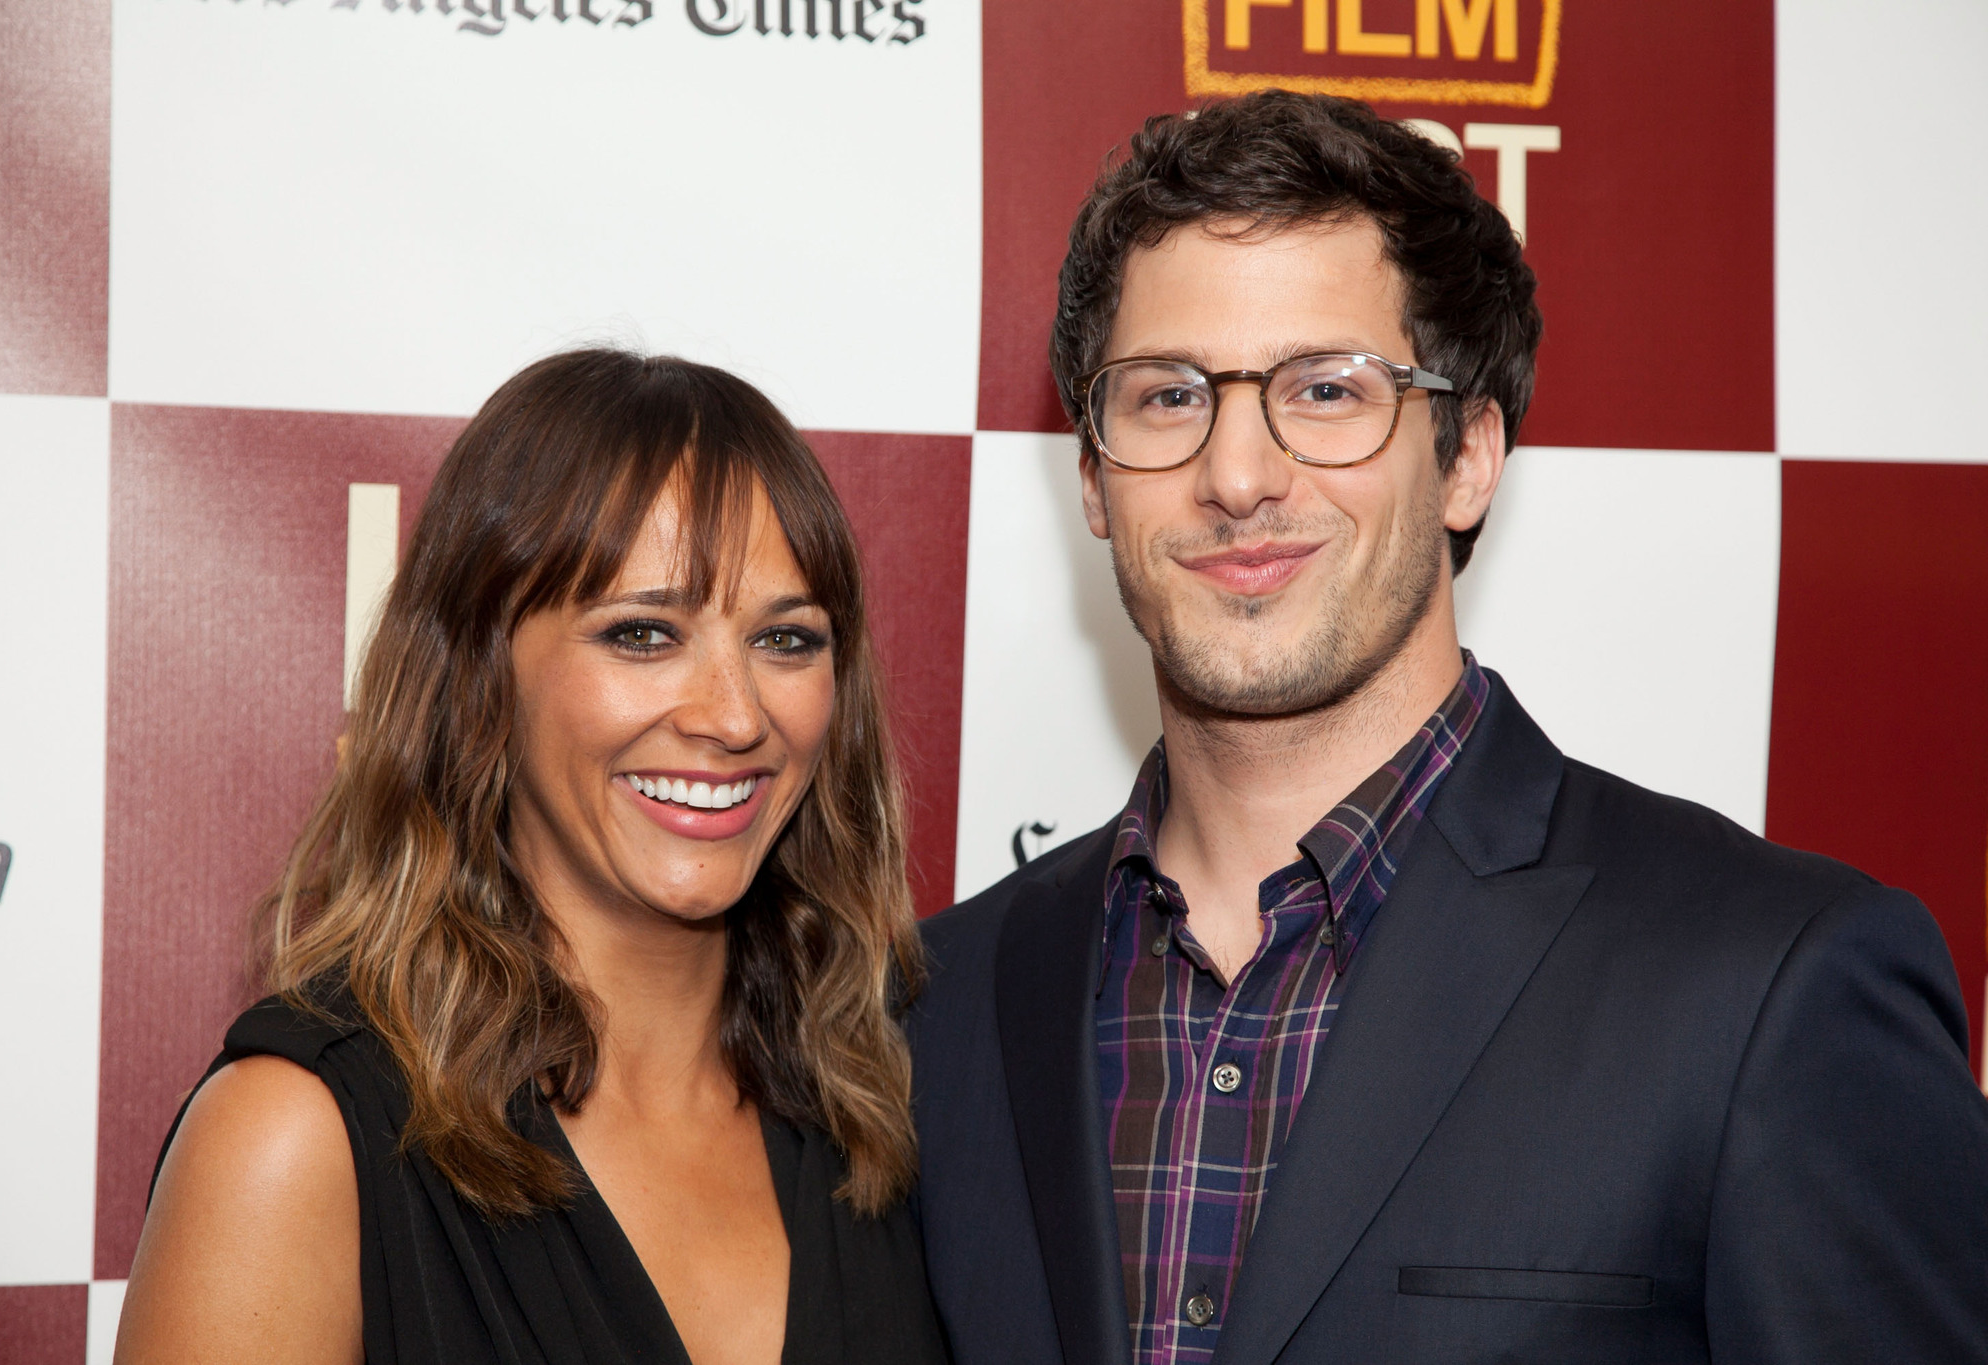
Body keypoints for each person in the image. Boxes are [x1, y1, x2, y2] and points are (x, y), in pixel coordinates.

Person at [910, 91, 1988, 1365]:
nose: (1238, 473)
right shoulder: (937, 1002)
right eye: (1165, 395)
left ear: (1467, 455)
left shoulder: (1769, 985)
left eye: (1324, 390)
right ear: (1091, 476)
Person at [117, 350, 949, 1365]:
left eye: (786, 642)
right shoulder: (295, 1140)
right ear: (477, 680)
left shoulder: (896, 1103)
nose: (735, 717)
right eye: (643, 633)